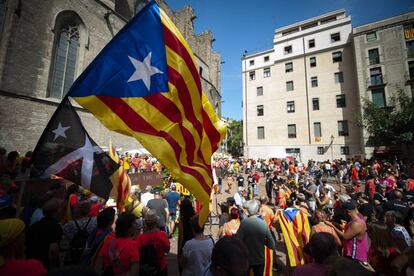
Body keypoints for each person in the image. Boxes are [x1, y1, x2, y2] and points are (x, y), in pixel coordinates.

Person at [237, 200, 276, 276]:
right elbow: (272, 245)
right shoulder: (263, 224)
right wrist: (263, 242)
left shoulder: (244, 223)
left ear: (248, 211)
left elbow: (238, 241)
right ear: (257, 210)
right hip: (259, 259)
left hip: (247, 259)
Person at [26, 198, 62, 269]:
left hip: (34, 259)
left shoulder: (34, 226)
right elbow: (53, 249)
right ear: (55, 212)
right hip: (46, 262)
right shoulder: (56, 226)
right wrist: (53, 267)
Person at [136, 209, 170, 276]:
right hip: (160, 266)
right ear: (156, 222)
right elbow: (167, 249)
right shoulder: (162, 235)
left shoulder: (139, 237)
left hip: (145, 268)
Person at [178, 197, 196, 273]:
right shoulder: (194, 218)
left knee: (184, 266)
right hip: (194, 242)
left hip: (185, 242)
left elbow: (181, 237)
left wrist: (179, 251)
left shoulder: (181, 221)